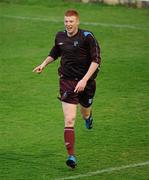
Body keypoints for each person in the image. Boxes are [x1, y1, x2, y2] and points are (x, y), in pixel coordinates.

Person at [33, 9, 101, 169]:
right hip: (67, 82)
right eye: (66, 21)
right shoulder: (60, 36)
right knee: (69, 119)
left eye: (71, 21)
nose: (68, 24)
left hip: (86, 82)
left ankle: (88, 118)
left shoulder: (87, 37)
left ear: (77, 22)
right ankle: (71, 156)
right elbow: (55, 52)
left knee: (85, 112)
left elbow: (96, 60)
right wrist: (43, 64)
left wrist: (84, 80)